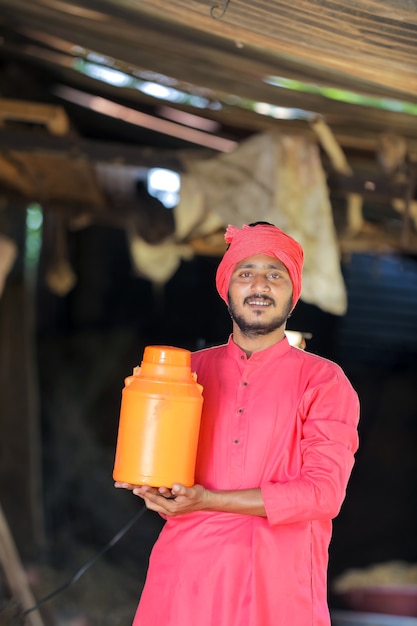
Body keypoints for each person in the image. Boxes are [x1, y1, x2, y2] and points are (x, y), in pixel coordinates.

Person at [115, 222, 360, 626]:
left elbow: (322, 495)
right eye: (246, 273)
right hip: (187, 577)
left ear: (293, 293)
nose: (260, 285)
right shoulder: (189, 373)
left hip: (278, 584)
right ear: (227, 287)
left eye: (274, 274)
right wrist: (155, 491)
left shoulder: (324, 381)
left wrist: (207, 500)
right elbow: (163, 473)